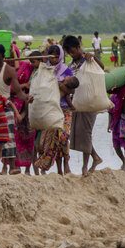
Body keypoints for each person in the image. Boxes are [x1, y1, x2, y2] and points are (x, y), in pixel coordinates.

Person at [63, 35, 105, 175]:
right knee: (78, 133)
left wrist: (93, 58)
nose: (71, 54)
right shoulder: (71, 65)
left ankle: (85, 166)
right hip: (77, 102)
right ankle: (95, 157)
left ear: (78, 47)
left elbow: (101, 68)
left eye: (73, 51)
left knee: (86, 132)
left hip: (89, 101)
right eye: (69, 52)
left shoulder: (88, 59)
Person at [34, 45, 74, 175]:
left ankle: (66, 163)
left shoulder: (66, 71)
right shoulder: (44, 70)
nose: (55, 58)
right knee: (52, 140)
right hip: (49, 109)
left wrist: (59, 85)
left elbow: (72, 89)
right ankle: (59, 168)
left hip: (64, 109)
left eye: (57, 55)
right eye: (52, 55)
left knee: (63, 137)